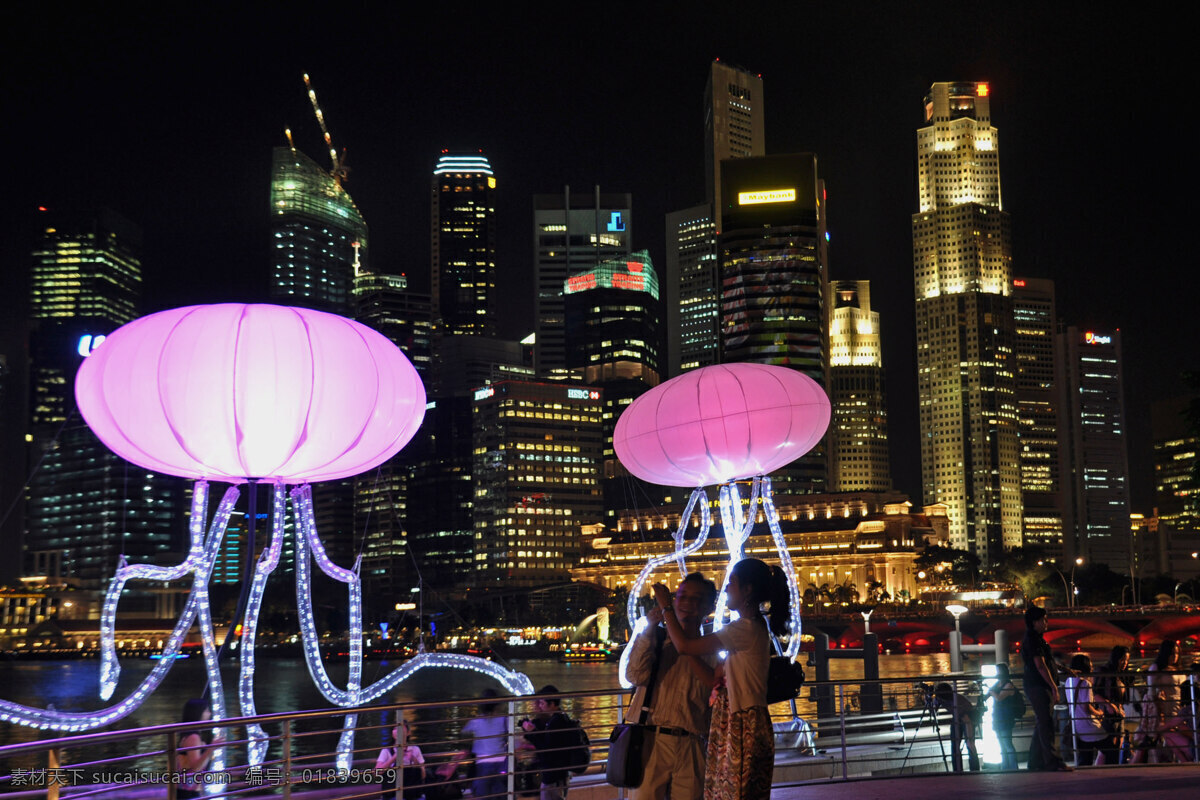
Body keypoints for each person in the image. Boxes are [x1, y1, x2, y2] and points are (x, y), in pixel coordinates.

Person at [652, 557, 790, 800]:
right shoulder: (750, 627)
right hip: (732, 722)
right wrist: (687, 645)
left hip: (741, 724)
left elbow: (684, 646)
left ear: (747, 590)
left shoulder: (745, 628)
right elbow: (711, 679)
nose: (726, 587)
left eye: (732, 582)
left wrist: (666, 608)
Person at [623, 572, 718, 800]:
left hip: (693, 743)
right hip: (652, 740)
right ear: (673, 601)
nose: (688, 603)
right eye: (683, 596)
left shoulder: (714, 650)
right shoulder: (656, 639)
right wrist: (648, 631)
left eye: (697, 599)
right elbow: (634, 675)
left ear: (708, 607)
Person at [1021, 605, 1071, 771]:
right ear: (1035, 622)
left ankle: (1034, 762)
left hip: (1037, 685)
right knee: (1046, 724)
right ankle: (1053, 762)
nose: (1046, 622)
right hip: (1039, 686)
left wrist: (1064, 670)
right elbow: (1040, 665)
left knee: (1042, 723)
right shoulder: (1033, 639)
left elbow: (1047, 662)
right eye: (1043, 619)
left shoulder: (1036, 638)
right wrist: (1053, 687)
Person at [521, 685, 582, 800]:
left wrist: (532, 732)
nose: (540, 706)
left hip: (552, 779)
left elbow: (547, 752)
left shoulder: (555, 723)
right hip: (561, 776)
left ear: (553, 704)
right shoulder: (562, 719)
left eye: (542, 703)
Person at [1063, 653, 1122, 766]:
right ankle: (1112, 773)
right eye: (1090, 665)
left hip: (1077, 725)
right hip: (1089, 725)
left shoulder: (1068, 681)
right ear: (1084, 667)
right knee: (1111, 750)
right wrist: (1099, 713)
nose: (1092, 668)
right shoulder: (1085, 683)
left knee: (1085, 756)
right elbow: (1086, 707)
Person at [1145, 639, 1194, 761]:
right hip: (1164, 709)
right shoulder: (1156, 668)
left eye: (1177, 653)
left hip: (1179, 708)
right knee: (1166, 740)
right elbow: (1151, 692)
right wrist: (1157, 711)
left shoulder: (1178, 668)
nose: (1175, 656)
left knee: (1177, 740)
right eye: (1172, 653)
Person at [455, 688, 509, 800]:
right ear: (497, 704)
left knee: (483, 794)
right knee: (501, 793)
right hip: (501, 762)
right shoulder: (504, 719)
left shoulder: (476, 721)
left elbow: (463, 734)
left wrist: (473, 743)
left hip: (483, 762)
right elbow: (512, 737)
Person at [178, 698, 223, 799]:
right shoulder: (193, 737)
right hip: (188, 791)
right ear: (198, 713)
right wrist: (211, 748)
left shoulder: (190, 734)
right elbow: (195, 768)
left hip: (189, 788)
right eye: (206, 710)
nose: (209, 713)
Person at [934, 682, 980, 771]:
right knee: (955, 745)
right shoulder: (941, 698)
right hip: (957, 717)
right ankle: (957, 769)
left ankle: (974, 769)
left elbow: (967, 721)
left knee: (970, 744)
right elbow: (934, 708)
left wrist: (969, 738)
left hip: (968, 716)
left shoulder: (957, 701)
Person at [376, 718, 425, 799]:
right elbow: (377, 773)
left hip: (412, 793)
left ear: (408, 732)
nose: (397, 730)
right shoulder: (387, 750)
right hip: (393, 794)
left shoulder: (415, 749)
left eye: (401, 727)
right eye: (395, 728)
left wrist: (413, 759)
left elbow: (423, 776)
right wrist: (394, 757)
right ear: (392, 733)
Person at [985, 662, 1020, 770]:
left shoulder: (1009, 685)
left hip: (1006, 718)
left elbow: (999, 698)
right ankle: (1006, 768)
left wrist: (991, 691)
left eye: (998, 671)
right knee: (1002, 745)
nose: (996, 673)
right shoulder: (998, 684)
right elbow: (987, 696)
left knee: (1007, 744)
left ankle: (1013, 768)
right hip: (997, 718)